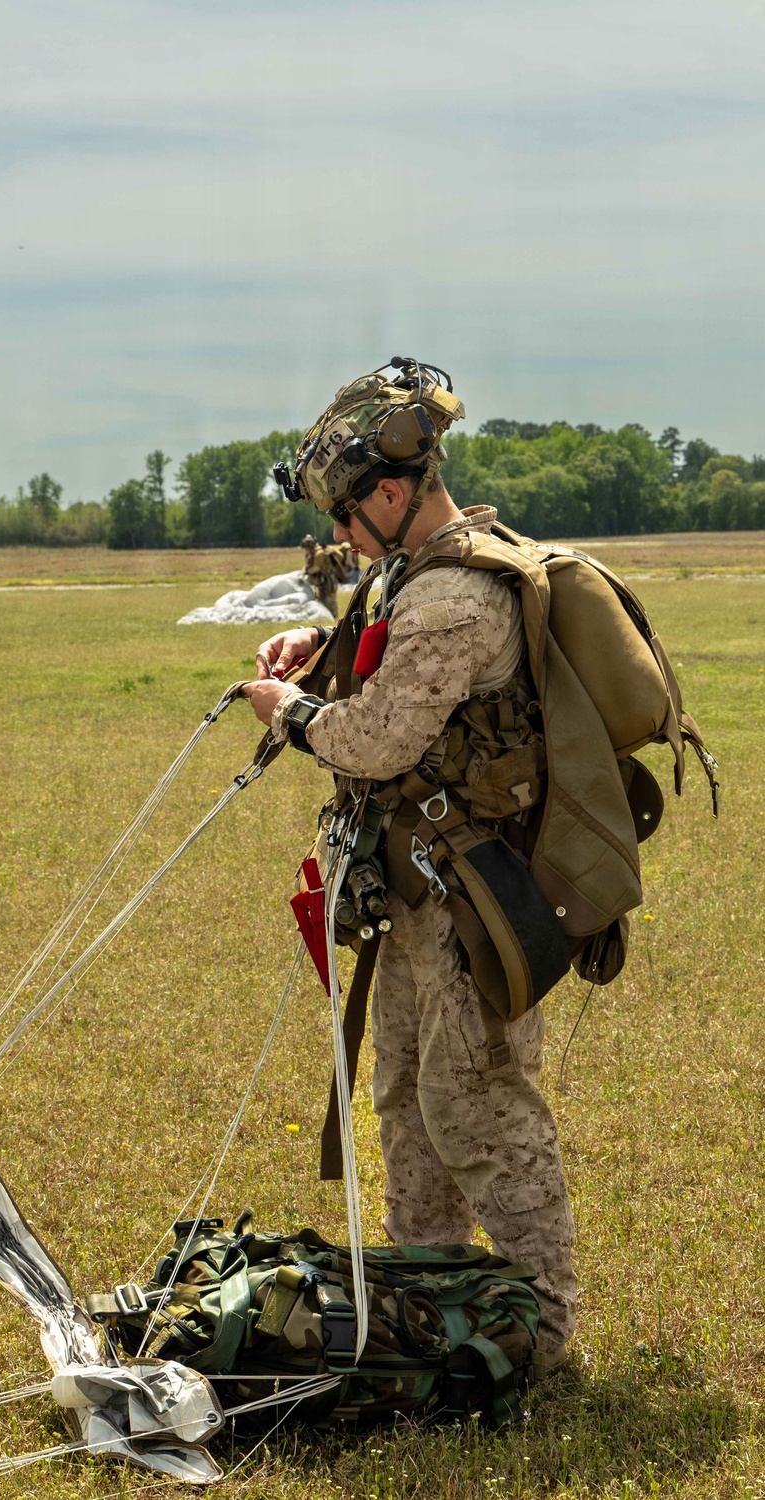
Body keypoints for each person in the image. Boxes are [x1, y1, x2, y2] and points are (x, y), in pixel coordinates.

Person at [243, 359, 575, 1373]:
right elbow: (393, 655)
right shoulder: (415, 575)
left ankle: (543, 1324)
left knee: (478, 1104)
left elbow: (380, 739)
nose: (344, 537)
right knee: (406, 1099)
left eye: (347, 515)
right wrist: (319, 639)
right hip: (419, 891)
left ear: (391, 493)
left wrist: (291, 714)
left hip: (475, 895)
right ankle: (426, 1291)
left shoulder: (457, 595)